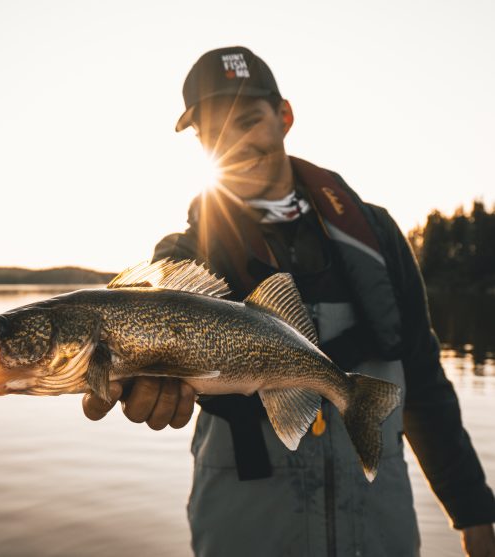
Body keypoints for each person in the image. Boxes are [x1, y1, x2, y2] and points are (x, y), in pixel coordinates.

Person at [83, 46, 495, 556]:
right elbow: (145, 372)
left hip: (378, 526)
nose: (235, 143)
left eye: (249, 120)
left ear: (284, 117)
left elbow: (426, 388)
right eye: (215, 133)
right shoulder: (182, 257)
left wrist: (474, 513)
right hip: (247, 526)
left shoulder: (376, 233)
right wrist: (135, 384)